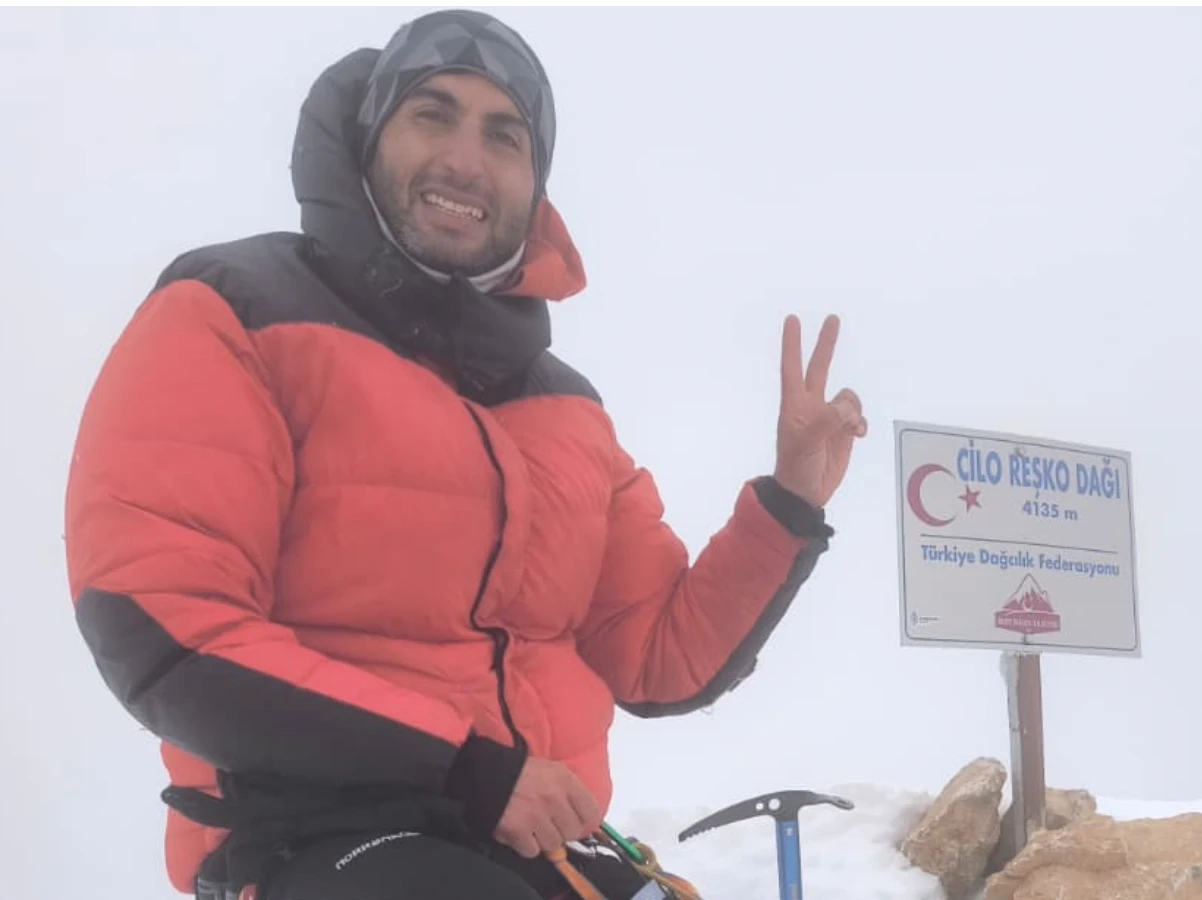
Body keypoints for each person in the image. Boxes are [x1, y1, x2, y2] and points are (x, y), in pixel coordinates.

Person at [64, 8, 867, 900]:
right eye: (431, 115)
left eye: (504, 135)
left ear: (536, 185)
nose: (465, 159)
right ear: (370, 139)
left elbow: (653, 657)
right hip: (311, 831)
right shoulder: (233, 313)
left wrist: (790, 505)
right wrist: (463, 769)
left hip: (535, 838)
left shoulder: (568, 410)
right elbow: (165, 630)